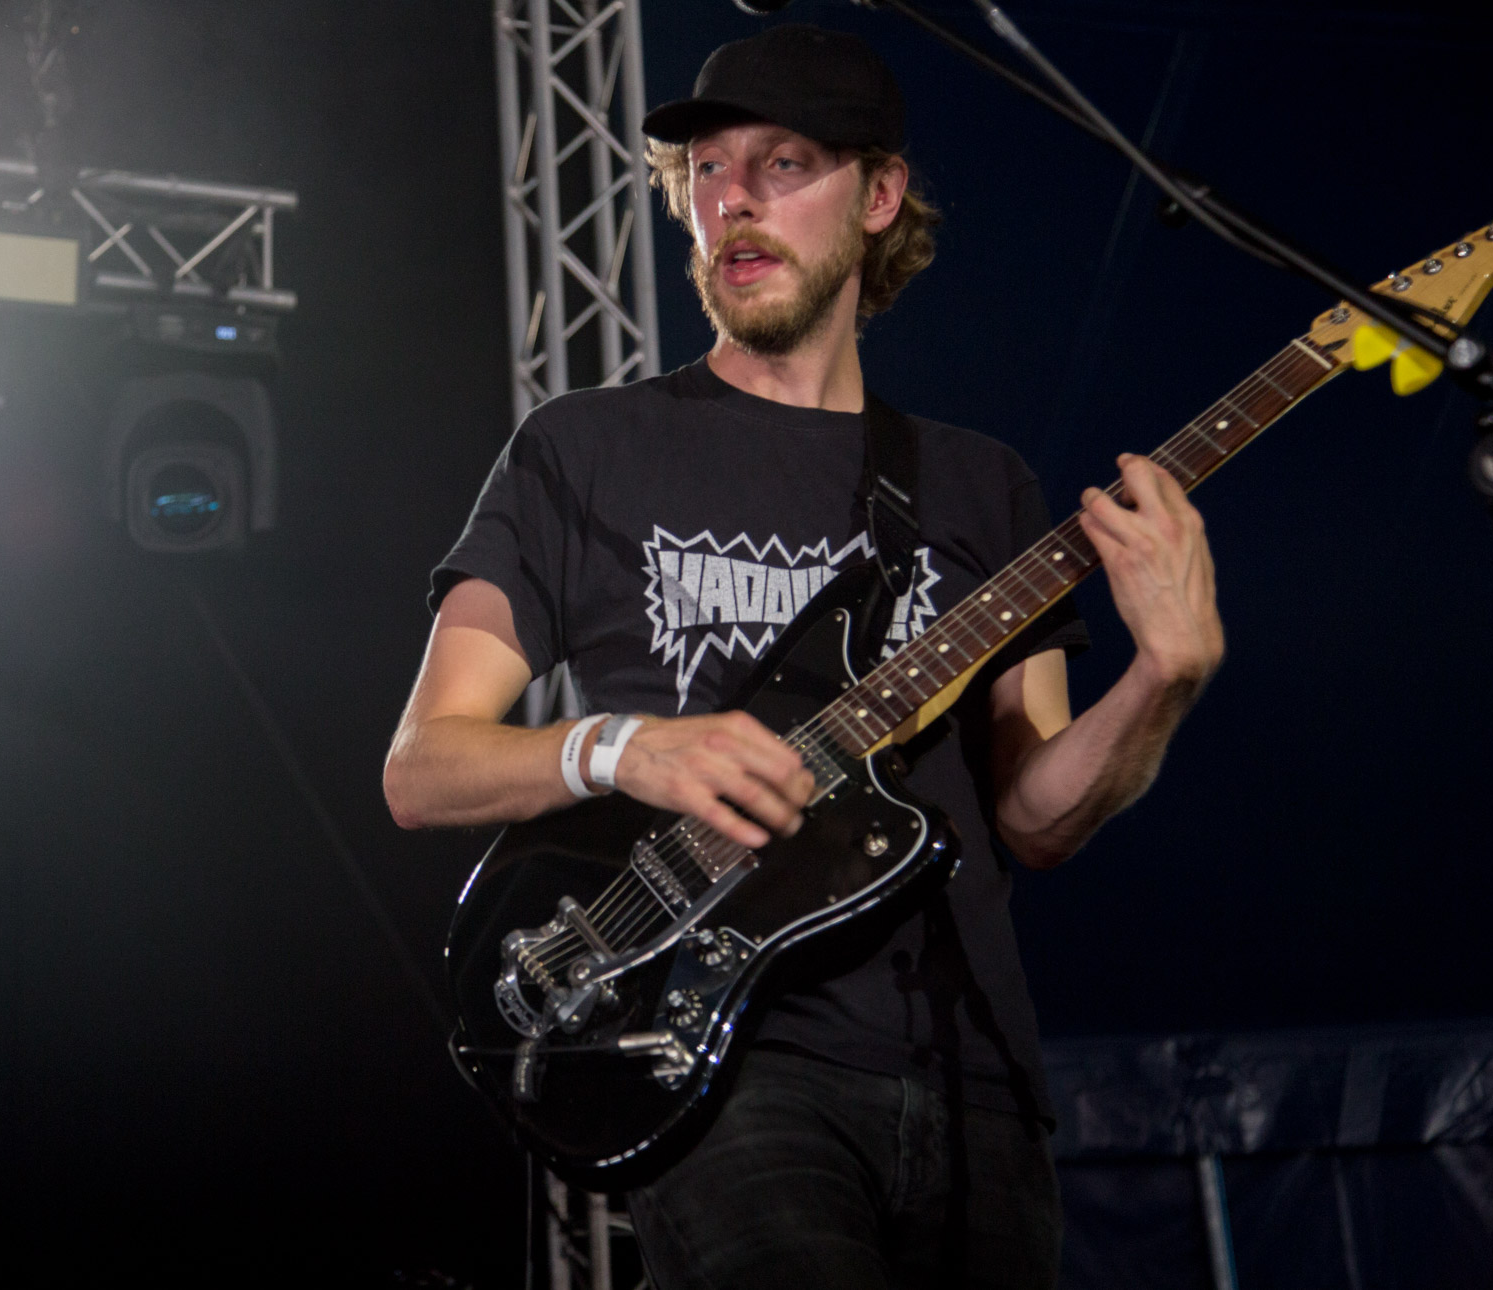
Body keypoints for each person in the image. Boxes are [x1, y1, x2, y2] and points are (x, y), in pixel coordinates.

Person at [384, 24, 1223, 1290]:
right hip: (724, 1059)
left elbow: (1038, 816)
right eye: (708, 171)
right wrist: (625, 747)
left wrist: (1164, 678)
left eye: (783, 164)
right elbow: (424, 767)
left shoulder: (978, 485)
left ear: (880, 196)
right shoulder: (585, 448)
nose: (734, 200)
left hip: (974, 1075)